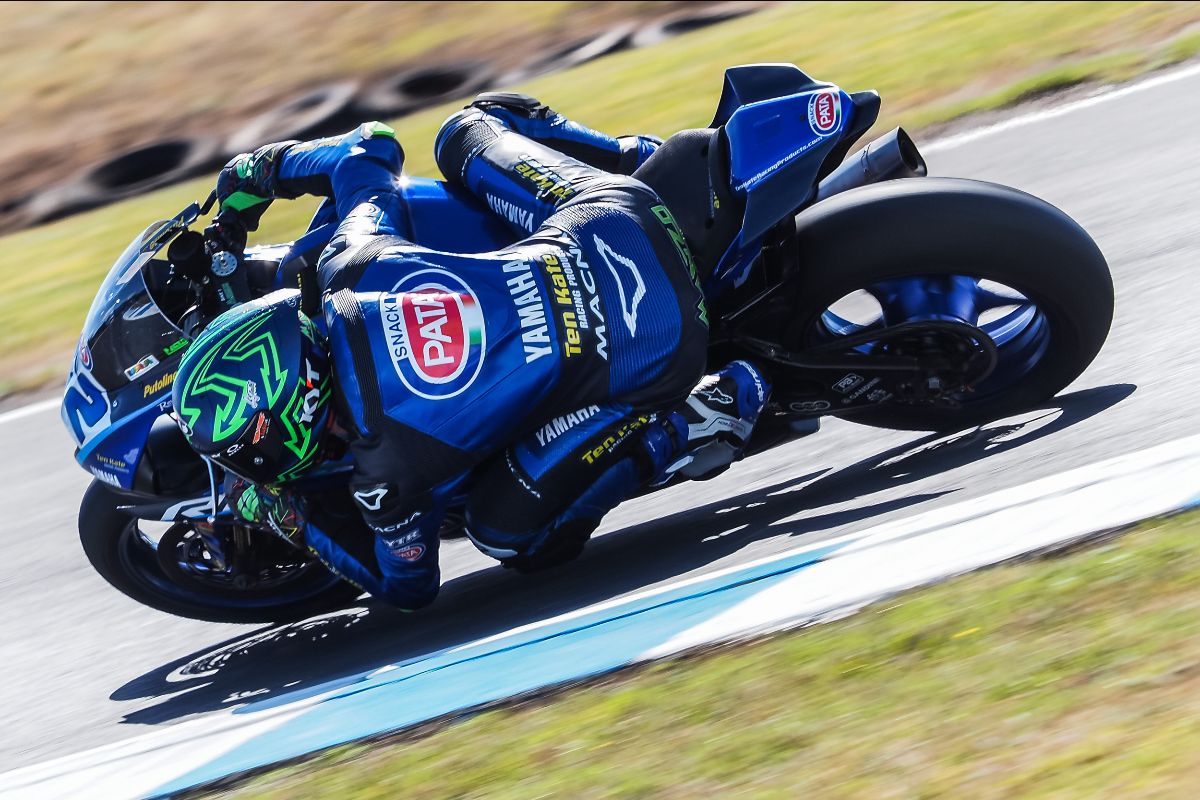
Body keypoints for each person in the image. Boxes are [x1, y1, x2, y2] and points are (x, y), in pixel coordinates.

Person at [172, 94, 771, 610]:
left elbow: (406, 585)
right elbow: (369, 148)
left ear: (297, 408)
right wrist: (261, 171)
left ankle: (702, 416)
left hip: (658, 348)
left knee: (505, 535)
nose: (245, 465)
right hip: (617, 213)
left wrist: (284, 512)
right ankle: (641, 159)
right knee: (465, 130)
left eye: (248, 448)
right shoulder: (350, 263)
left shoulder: (383, 474)